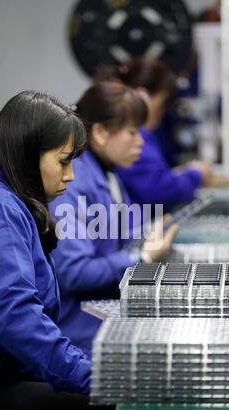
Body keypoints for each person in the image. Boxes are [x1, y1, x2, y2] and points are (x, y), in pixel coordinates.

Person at [0, 90, 113, 410]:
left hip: (6, 376)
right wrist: (93, 377)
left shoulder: (9, 204)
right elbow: (16, 318)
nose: (71, 176)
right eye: (63, 162)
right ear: (28, 155)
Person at [49, 81, 178, 358]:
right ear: (100, 133)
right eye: (132, 132)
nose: (141, 142)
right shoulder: (73, 184)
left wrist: (149, 230)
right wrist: (140, 258)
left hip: (103, 314)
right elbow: (74, 272)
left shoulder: (107, 172)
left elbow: (119, 229)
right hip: (79, 331)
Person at [95, 57, 213, 213]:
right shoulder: (129, 139)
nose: (138, 141)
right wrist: (195, 175)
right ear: (142, 97)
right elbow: (157, 190)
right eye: (162, 104)